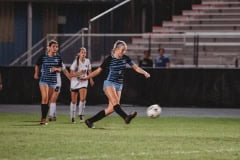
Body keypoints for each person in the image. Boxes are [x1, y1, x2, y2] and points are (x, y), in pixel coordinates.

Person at [81, 40, 150, 128]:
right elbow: (98, 71)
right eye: (122, 50)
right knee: (116, 103)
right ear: (117, 49)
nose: (124, 52)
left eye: (125, 50)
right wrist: (87, 77)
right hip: (109, 83)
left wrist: (144, 72)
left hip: (119, 85)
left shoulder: (125, 58)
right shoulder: (109, 59)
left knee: (111, 109)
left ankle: (90, 121)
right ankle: (126, 117)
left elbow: (136, 68)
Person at [34, 40, 64, 125]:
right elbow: (37, 65)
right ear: (49, 47)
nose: (55, 48)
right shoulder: (43, 57)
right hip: (44, 80)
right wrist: (36, 73)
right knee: (45, 98)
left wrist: (56, 69)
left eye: (56, 47)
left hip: (53, 82)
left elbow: (61, 68)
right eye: (53, 46)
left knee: (48, 101)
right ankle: (42, 120)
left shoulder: (58, 58)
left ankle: (44, 118)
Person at [69, 47, 94, 123]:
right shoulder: (76, 62)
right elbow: (70, 74)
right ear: (79, 53)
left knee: (82, 99)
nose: (83, 54)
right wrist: (79, 74)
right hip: (75, 82)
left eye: (85, 52)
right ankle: (72, 116)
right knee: (74, 101)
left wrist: (91, 79)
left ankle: (81, 115)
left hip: (84, 82)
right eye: (82, 52)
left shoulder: (87, 61)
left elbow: (89, 71)